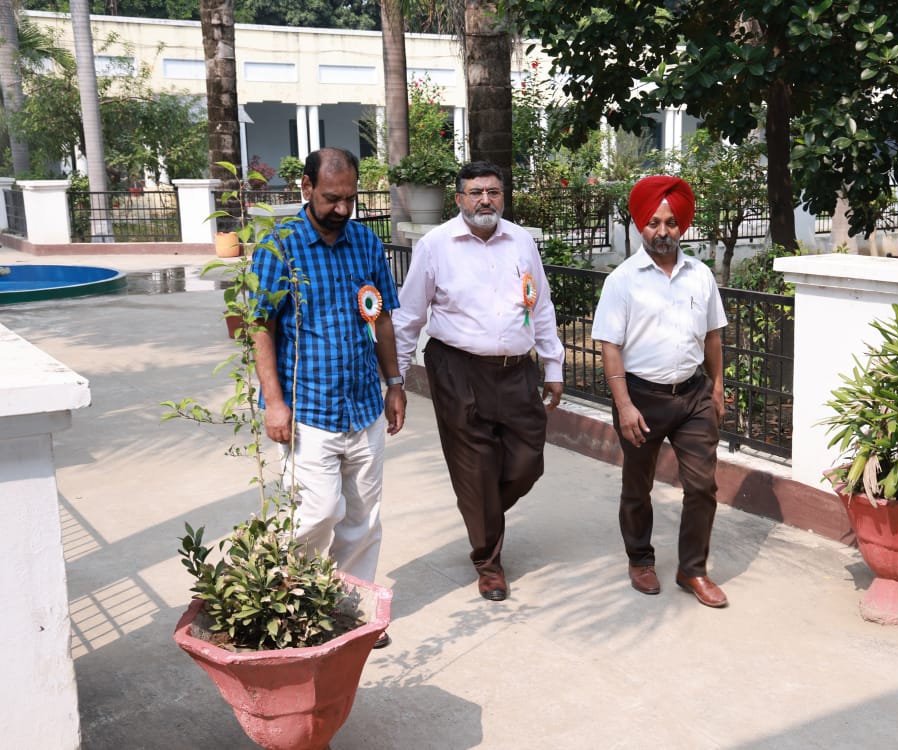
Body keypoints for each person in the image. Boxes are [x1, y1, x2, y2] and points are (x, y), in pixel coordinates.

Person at [252, 147, 405, 646]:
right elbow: (260, 327)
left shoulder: (365, 242)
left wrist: (394, 383)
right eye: (331, 198)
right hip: (308, 410)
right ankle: (290, 603)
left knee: (363, 517)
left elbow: (382, 317)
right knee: (315, 514)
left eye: (349, 199)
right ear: (306, 188)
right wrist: (275, 402)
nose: (342, 209)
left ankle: (350, 609)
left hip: (363, 406)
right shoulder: (279, 247)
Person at [393, 160, 564, 602]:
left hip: (517, 370)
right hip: (458, 370)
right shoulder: (435, 246)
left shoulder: (521, 241)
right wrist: (397, 379)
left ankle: (481, 508)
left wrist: (553, 364)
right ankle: (489, 562)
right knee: (474, 467)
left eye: (493, 192)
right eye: (476, 192)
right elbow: (409, 316)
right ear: (459, 199)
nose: (485, 200)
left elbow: (541, 305)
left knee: (528, 460)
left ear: (503, 197)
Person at [591, 175, 730, 608]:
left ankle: (693, 569)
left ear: (681, 225)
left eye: (671, 223)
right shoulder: (623, 280)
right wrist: (624, 406)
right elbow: (610, 347)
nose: (663, 231)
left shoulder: (700, 276)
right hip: (641, 398)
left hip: (693, 396)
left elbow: (713, 337)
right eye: (654, 223)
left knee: (702, 486)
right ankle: (640, 560)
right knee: (638, 485)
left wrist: (717, 388)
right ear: (640, 225)